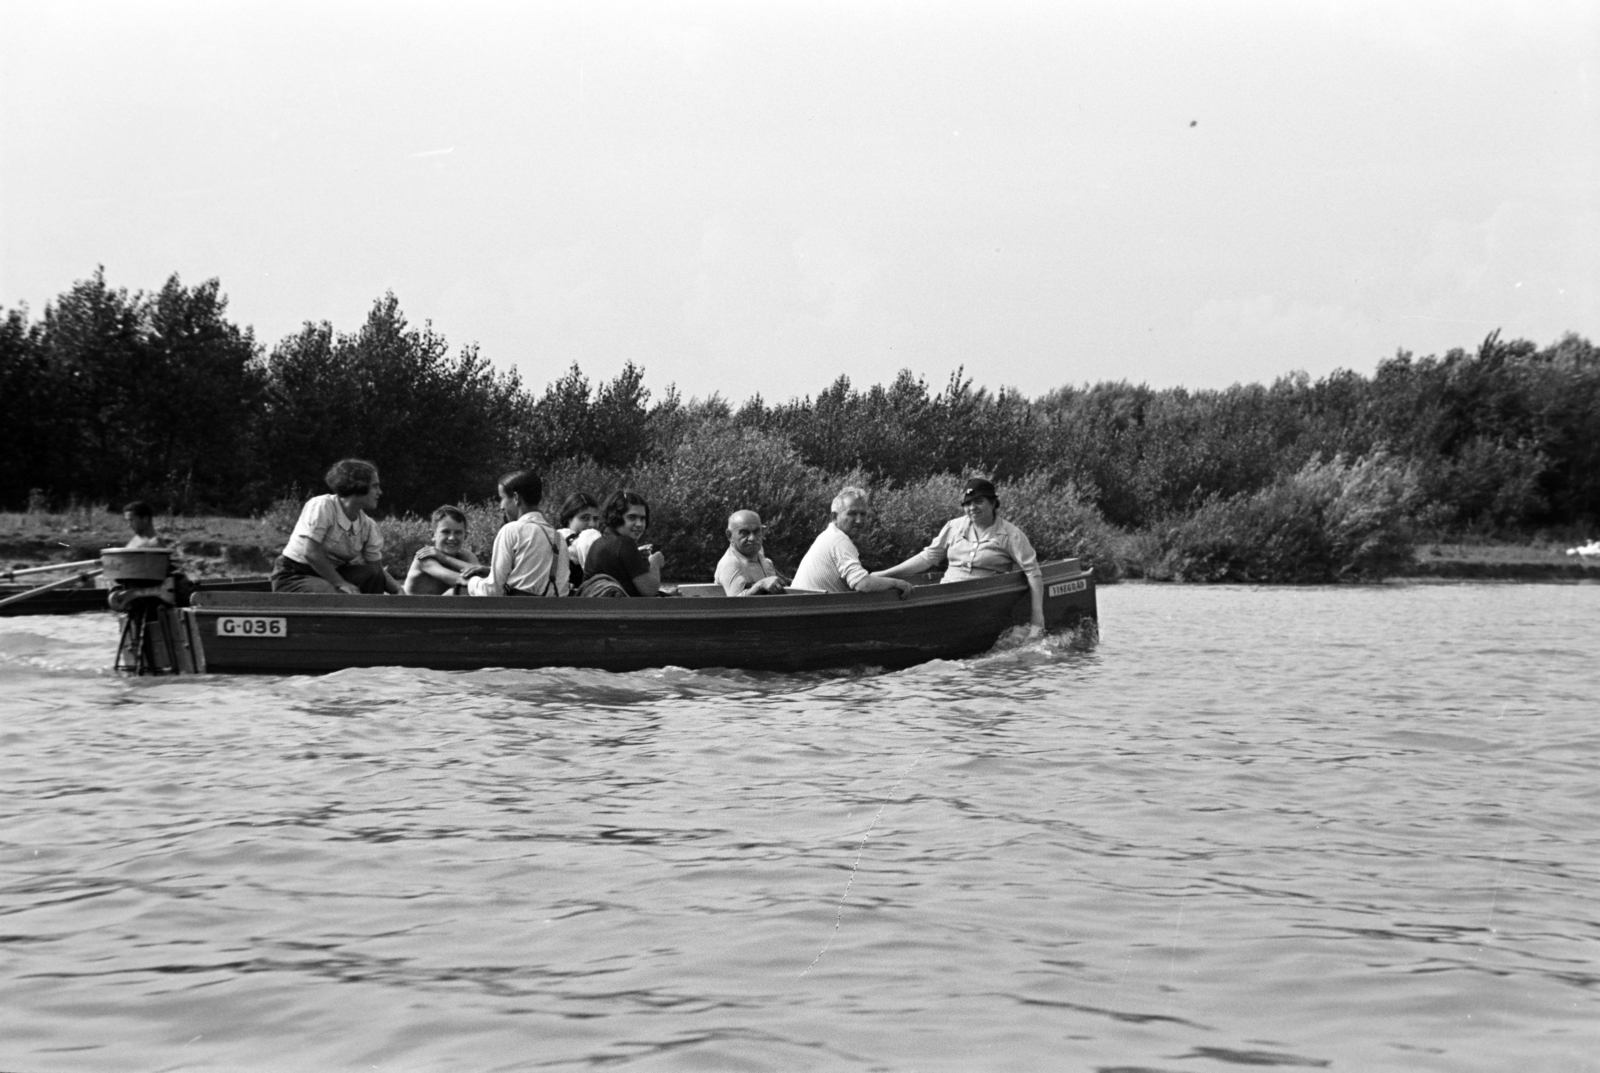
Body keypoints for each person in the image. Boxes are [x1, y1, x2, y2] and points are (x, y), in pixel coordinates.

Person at [878, 477, 1046, 630]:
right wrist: (884, 574)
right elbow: (928, 558)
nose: (972, 508)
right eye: (967, 503)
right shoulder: (954, 527)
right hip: (945, 598)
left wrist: (1037, 619)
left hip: (983, 606)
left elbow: (1033, 573)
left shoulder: (1011, 534)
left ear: (993, 503)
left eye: (979, 501)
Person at [270, 459, 402, 594]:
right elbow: (310, 552)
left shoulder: (368, 526)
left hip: (332, 574)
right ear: (358, 486)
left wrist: (398, 590)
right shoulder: (323, 506)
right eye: (374, 486)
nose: (379, 492)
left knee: (372, 574)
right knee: (335, 594)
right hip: (294, 575)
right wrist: (341, 583)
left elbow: (377, 569)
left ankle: (371, 614)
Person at [790, 486, 914, 597]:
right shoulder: (839, 540)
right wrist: (896, 583)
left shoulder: (829, 535)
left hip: (802, 607)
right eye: (852, 514)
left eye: (863, 514)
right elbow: (863, 584)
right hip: (813, 614)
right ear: (834, 517)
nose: (859, 520)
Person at [468, 469, 569, 597]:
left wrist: (471, 582)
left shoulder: (512, 530)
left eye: (502, 498)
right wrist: (489, 570)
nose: (501, 506)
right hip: (554, 614)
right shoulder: (559, 538)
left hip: (518, 613)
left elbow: (493, 591)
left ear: (516, 498)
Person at [584, 489, 666, 597]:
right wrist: (655, 563)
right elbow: (649, 590)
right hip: (621, 611)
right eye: (632, 517)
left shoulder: (598, 543)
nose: (639, 524)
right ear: (616, 517)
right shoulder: (625, 543)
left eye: (643, 519)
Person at [404, 506, 487, 595]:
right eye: (445, 532)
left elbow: (482, 575)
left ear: (465, 536)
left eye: (458, 533)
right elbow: (462, 580)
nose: (452, 538)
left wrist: (445, 558)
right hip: (413, 608)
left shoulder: (466, 555)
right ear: (432, 535)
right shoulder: (424, 557)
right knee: (463, 590)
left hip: (443, 607)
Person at [716, 510, 788, 596]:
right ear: (729, 535)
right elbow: (735, 602)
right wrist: (760, 585)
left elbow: (785, 582)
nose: (752, 538)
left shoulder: (760, 556)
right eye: (744, 533)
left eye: (757, 532)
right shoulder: (731, 563)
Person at [556, 491, 603, 583]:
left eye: (596, 519)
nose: (592, 524)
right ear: (569, 518)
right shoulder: (554, 542)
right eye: (584, 518)